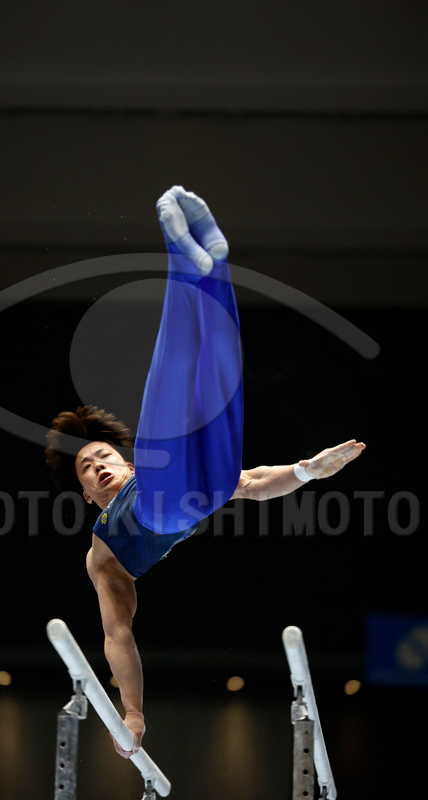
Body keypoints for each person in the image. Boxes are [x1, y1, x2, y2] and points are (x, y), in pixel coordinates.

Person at [45, 186, 366, 759]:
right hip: (194, 495)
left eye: (102, 456)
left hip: (185, 476)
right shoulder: (104, 552)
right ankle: (202, 262)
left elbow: (257, 483)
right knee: (219, 368)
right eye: (87, 470)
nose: (97, 466)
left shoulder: (144, 463)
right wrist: (133, 711)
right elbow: (119, 634)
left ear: (125, 461)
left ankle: (201, 257)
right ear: (89, 497)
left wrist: (303, 471)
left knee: (186, 363)